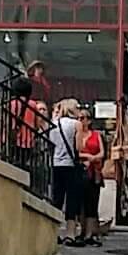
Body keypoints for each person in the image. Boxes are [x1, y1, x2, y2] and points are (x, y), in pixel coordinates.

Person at [49, 98, 85, 241]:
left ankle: (54, 232)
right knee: (72, 200)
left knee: (57, 198)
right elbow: (79, 147)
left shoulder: (54, 124)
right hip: (70, 164)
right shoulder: (76, 124)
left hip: (56, 163)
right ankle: (70, 234)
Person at [76, 109, 106, 247]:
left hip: (94, 172)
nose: (82, 121)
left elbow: (102, 152)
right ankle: (81, 231)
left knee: (92, 203)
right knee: (80, 203)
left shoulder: (96, 135)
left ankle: (89, 234)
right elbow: (75, 152)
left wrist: (93, 158)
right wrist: (87, 157)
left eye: (84, 118)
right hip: (80, 170)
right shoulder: (76, 135)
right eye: (79, 118)